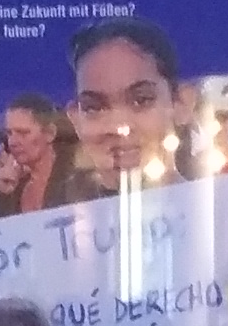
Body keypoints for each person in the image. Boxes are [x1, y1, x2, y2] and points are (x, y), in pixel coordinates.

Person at [58, 19, 197, 199]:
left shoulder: (222, 218)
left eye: (141, 100)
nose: (119, 126)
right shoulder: (54, 222)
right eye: (94, 108)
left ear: (180, 103)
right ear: (75, 118)